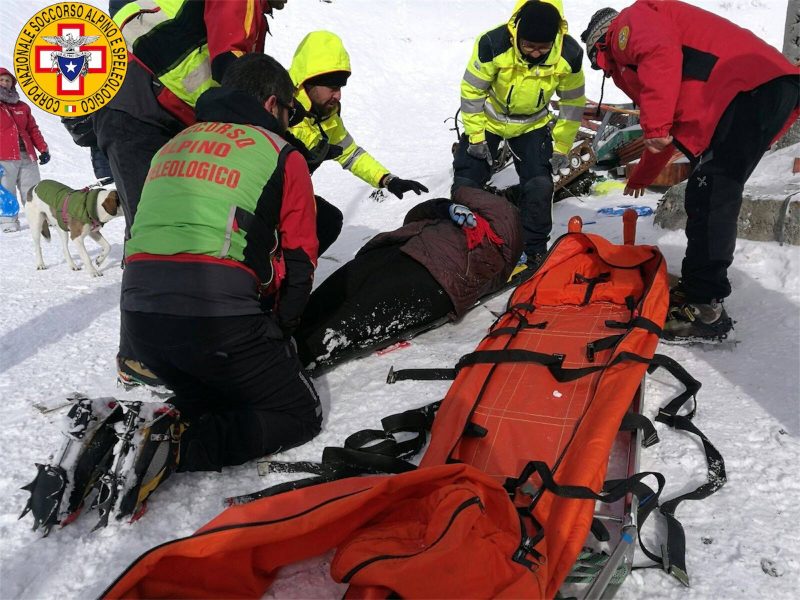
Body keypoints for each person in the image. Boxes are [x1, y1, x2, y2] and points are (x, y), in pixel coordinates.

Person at [118, 52, 322, 503]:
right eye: (290, 112)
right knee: (299, 414)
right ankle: (174, 449)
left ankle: (129, 433)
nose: (290, 122)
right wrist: (279, 332)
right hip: (217, 318)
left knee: (219, 395)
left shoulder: (172, 144)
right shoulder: (282, 154)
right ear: (272, 105)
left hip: (141, 323)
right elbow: (301, 261)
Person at [581, 1, 799, 341]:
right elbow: (675, 130)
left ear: (598, 44)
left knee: (711, 193)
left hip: (743, 90)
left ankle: (704, 307)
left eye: (600, 66)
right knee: (709, 191)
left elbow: (659, 53)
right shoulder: (654, 49)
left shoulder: (625, 27)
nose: (606, 72)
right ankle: (702, 291)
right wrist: (642, 173)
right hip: (751, 90)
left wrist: (654, 127)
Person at [95, 0, 284, 239]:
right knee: (154, 234)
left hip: (157, 112)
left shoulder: (253, 12)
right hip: (140, 109)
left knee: (163, 228)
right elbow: (232, 68)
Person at [294, 187, 522, 371]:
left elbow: (414, 215)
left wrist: (445, 207)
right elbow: (491, 282)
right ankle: (288, 361)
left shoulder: (464, 210)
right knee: (350, 320)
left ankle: (277, 345)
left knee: (330, 298)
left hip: (400, 250)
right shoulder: (508, 229)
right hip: (434, 278)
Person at [452, 0, 586, 271]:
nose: (536, 54)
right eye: (529, 46)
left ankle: (534, 250)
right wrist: (476, 137)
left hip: (531, 125)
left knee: (539, 184)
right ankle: (463, 242)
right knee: (468, 177)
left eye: (543, 48)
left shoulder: (569, 54)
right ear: (517, 36)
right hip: (489, 119)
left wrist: (561, 147)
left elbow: (572, 105)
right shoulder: (493, 43)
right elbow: (472, 92)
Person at [287, 30, 429, 253]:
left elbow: (350, 153)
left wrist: (387, 180)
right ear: (309, 82)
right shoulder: (280, 105)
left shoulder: (326, 115)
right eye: (333, 88)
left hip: (291, 196)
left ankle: (290, 279)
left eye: (341, 88)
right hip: (259, 196)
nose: (339, 96)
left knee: (329, 221)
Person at [0, 67, 49, 233]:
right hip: (4, 155)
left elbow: (32, 129)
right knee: (6, 189)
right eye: (1, 80)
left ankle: (39, 219)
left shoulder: (22, 106)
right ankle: (8, 222)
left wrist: (43, 149)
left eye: (8, 80)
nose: (5, 83)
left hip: (26, 155)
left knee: (32, 188)